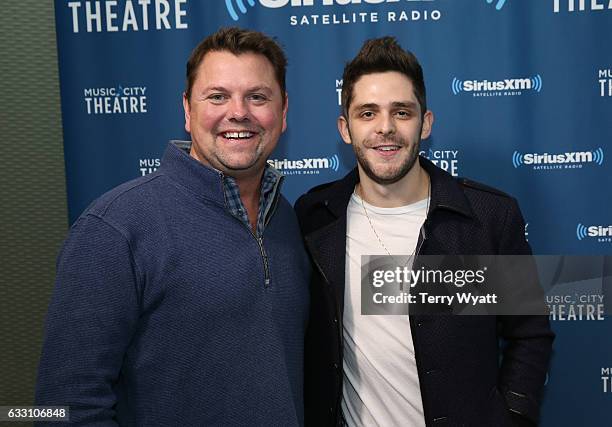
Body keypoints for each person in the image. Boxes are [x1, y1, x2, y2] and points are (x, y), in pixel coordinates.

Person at [36, 27, 310, 426]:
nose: (239, 112)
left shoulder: (285, 218)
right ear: (187, 110)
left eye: (257, 97)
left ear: (283, 112)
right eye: (217, 96)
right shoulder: (114, 228)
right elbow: (63, 406)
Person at [295, 37, 554, 426]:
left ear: (426, 123)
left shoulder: (487, 217)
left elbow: (530, 334)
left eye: (401, 112)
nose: (385, 128)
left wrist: (512, 415)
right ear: (345, 128)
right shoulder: (315, 217)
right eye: (367, 113)